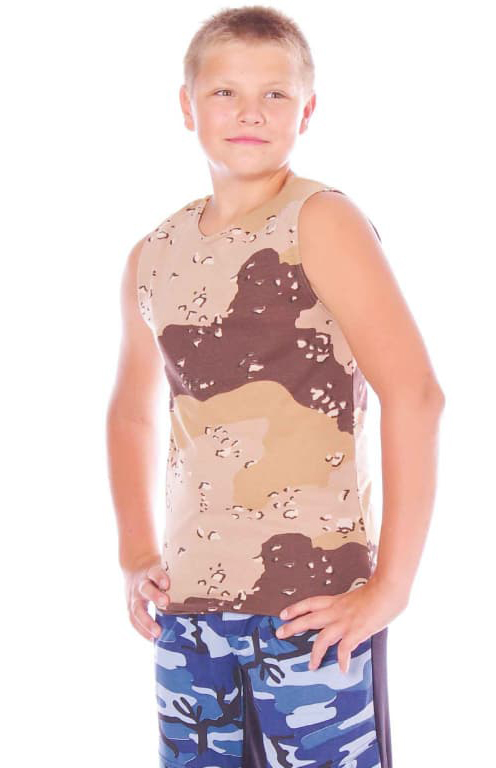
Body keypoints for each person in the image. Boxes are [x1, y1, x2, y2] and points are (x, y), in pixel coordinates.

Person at [106, 6, 445, 767]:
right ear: (187, 105)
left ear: (307, 110)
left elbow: (416, 394)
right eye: (224, 92)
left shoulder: (319, 220)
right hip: (188, 604)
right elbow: (131, 412)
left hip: (312, 604)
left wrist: (390, 586)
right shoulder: (153, 253)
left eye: (275, 94)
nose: (249, 112)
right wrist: (135, 552)